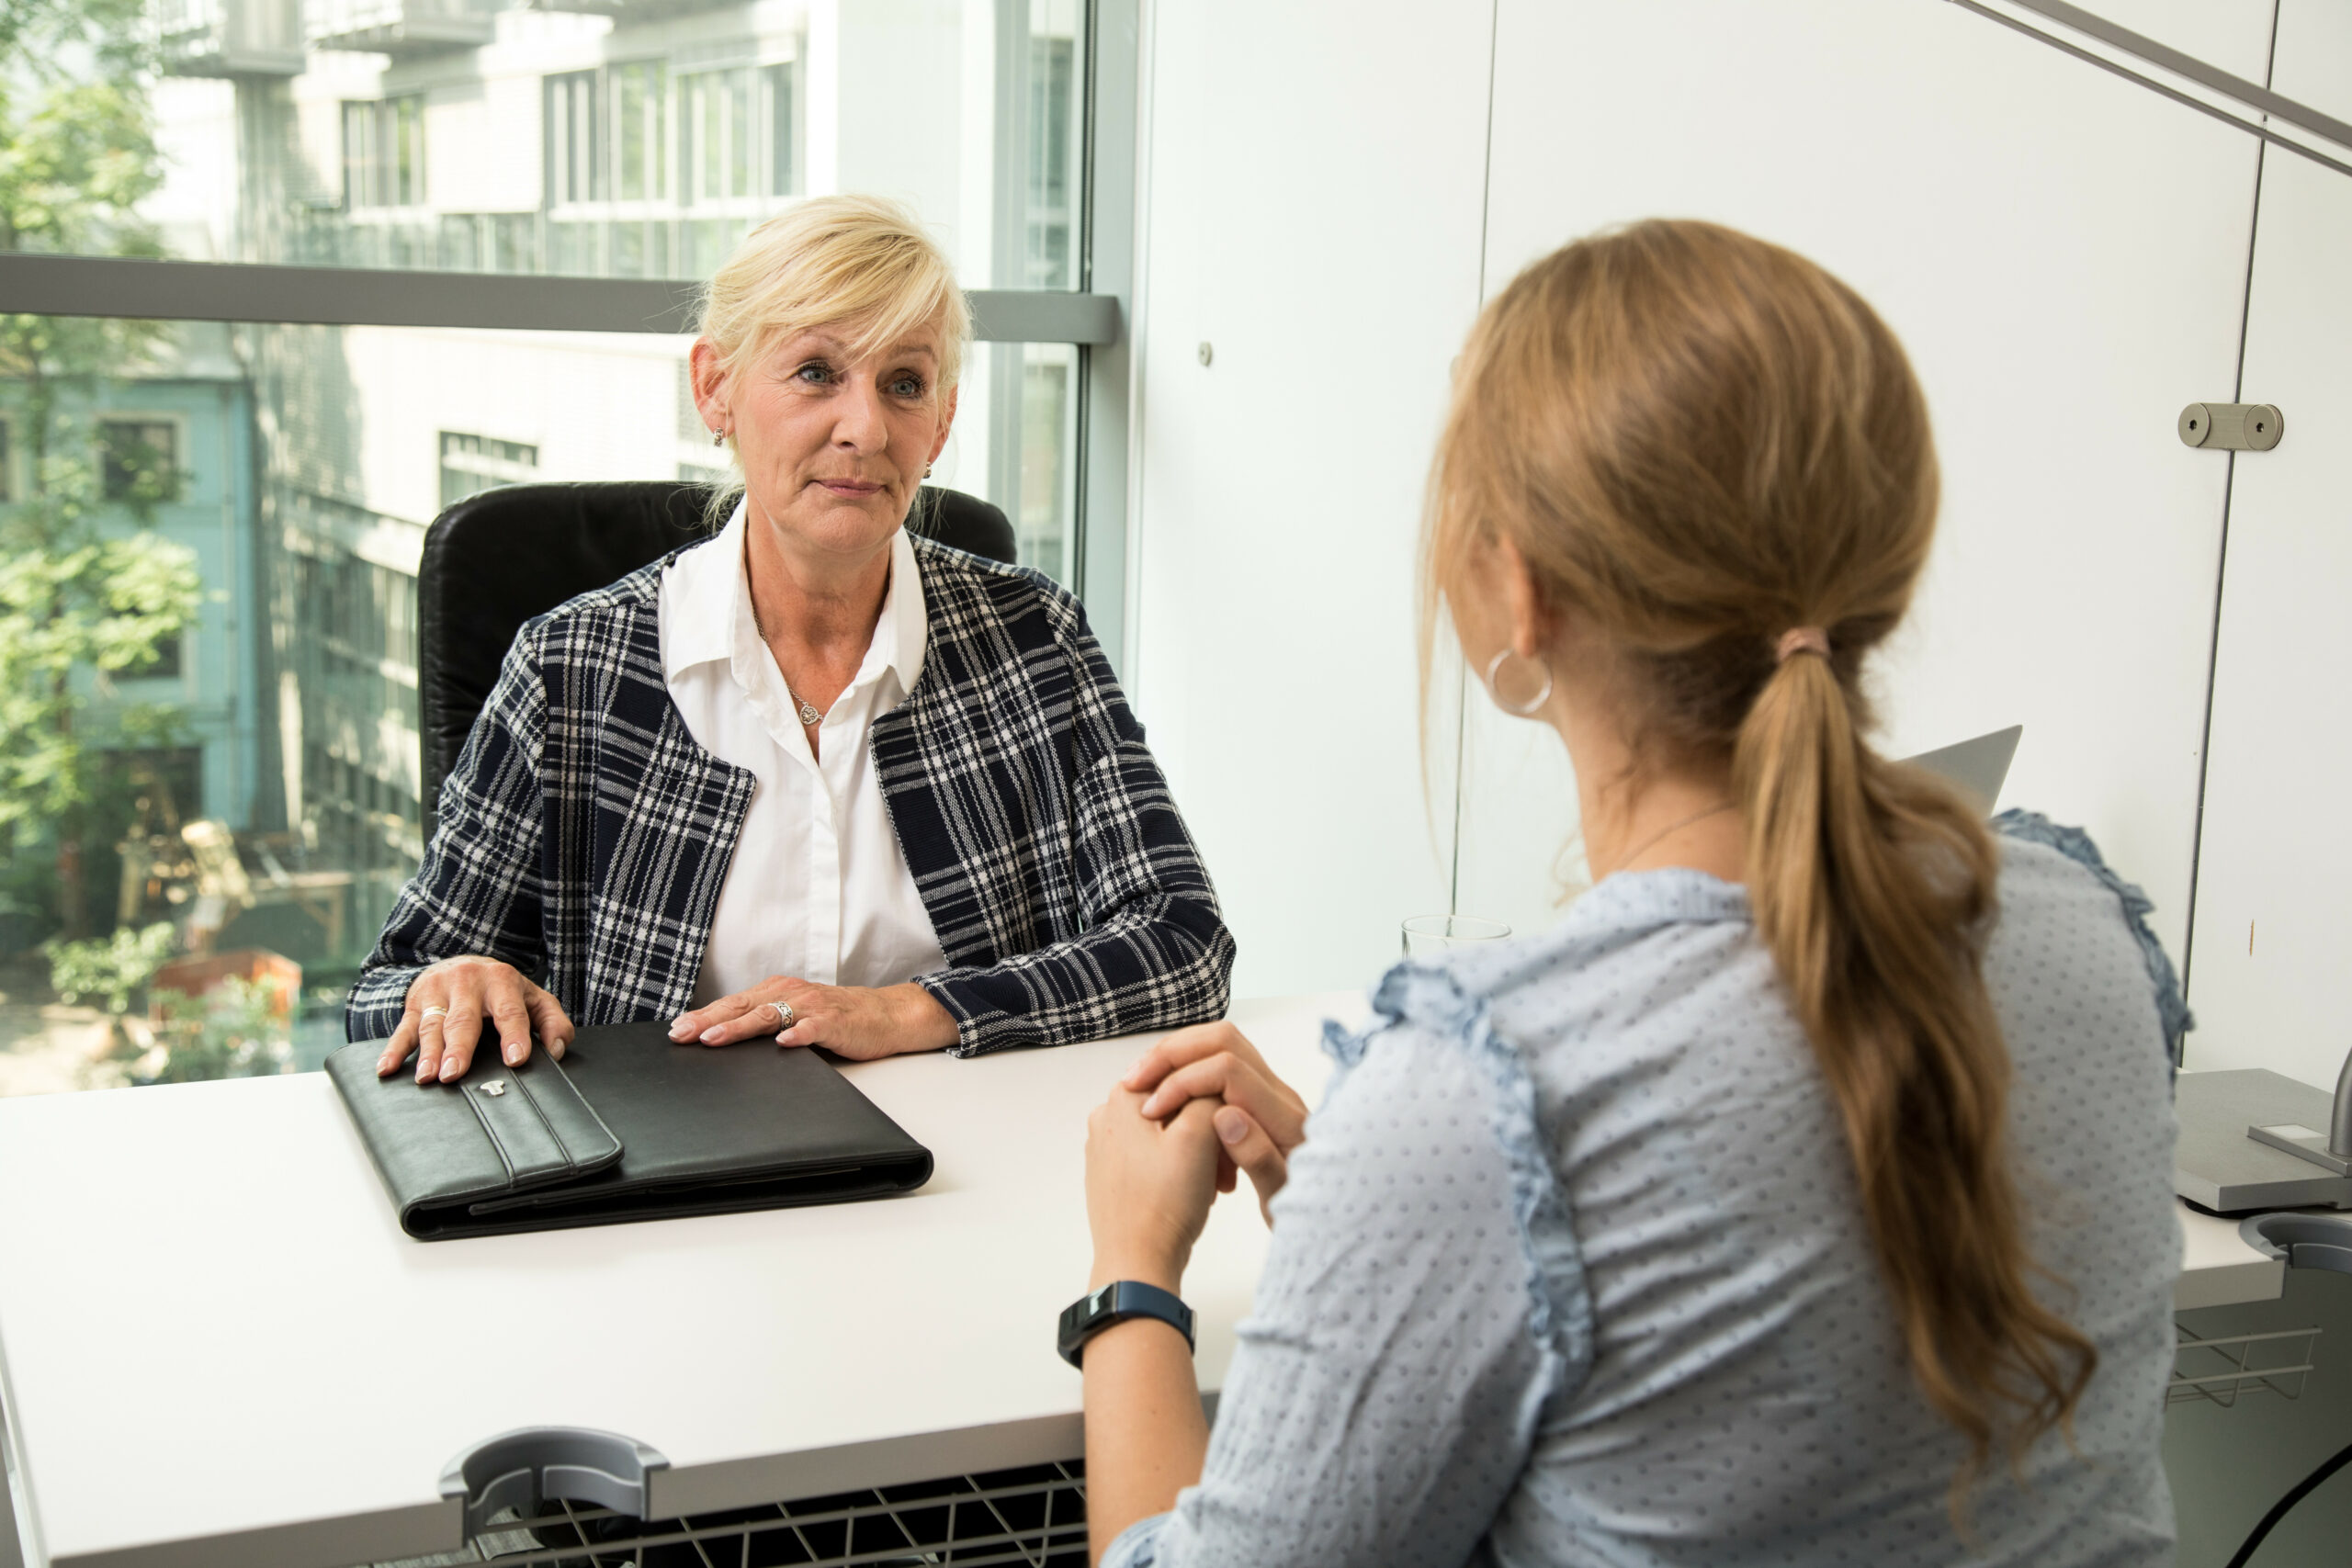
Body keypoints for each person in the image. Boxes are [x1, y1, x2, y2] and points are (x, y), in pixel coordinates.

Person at [1072, 220, 2182, 1566]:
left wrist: (1132, 1276)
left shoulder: (1496, 1091)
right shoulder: (2087, 932)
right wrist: (1393, 1224)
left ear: (1519, 588)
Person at [351, 194, 1233, 1082]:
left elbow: (1185, 943)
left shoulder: (1032, 639)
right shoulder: (571, 669)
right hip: (671, 1189)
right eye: (816, 372)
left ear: (944, 420)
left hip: (970, 1176)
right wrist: (450, 983)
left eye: (905, 383)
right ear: (716, 388)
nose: (866, 428)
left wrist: (899, 1011)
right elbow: (383, 992)